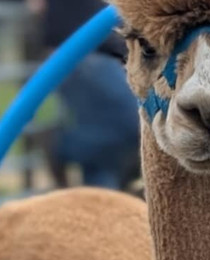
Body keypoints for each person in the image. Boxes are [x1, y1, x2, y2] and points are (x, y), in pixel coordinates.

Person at [32, 0, 141, 190]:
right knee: (134, 124)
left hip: (115, 47)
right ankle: (60, 145)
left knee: (103, 161)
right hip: (78, 47)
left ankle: (99, 203)